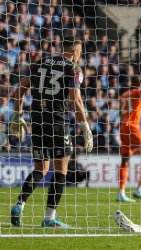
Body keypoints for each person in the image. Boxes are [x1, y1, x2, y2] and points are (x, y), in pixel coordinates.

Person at [9, 38, 93, 228]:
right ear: (75, 52)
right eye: (80, 53)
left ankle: (19, 205)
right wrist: (86, 127)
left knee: (40, 169)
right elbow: (75, 101)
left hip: (37, 122)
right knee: (61, 170)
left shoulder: (38, 64)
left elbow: (19, 91)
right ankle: (49, 218)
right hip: (57, 122)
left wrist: (17, 116)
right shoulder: (73, 69)